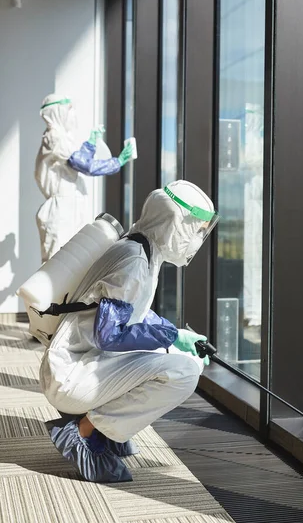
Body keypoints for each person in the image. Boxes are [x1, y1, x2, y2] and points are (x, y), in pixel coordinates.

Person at [39, 180, 219, 483]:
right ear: (176, 223)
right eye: (197, 229)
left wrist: (175, 336)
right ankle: (83, 431)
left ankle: (107, 430)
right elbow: (109, 334)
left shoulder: (142, 250)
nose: (199, 238)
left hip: (81, 362)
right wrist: (171, 337)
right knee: (184, 373)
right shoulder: (134, 262)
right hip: (72, 374)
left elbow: (136, 313)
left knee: (177, 356)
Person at [35, 94, 134, 263]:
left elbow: (76, 160)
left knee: (73, 264)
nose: (72, 114)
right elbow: (82, 164)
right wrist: (117, 162)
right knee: (56, 264)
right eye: (69, 109)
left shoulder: (62, 139)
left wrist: (90, 144)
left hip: (70, 207)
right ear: (58, 112)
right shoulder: (54, 137)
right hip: (61, 211)